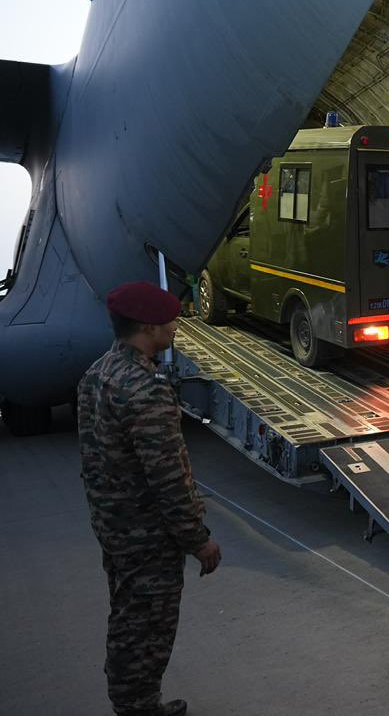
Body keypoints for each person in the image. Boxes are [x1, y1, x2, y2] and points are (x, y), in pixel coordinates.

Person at [78, 281, 221, 716]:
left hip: (114, 525)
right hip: (148, 536)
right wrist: (198, 539)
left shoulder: (97, 375)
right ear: (146, 327)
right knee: (148, 626)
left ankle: (132, 700)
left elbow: (93, 457)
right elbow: (168, 477)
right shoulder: (146, 388)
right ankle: (138, 706)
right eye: (170, 321)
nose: (176, 328)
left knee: (126, 615)